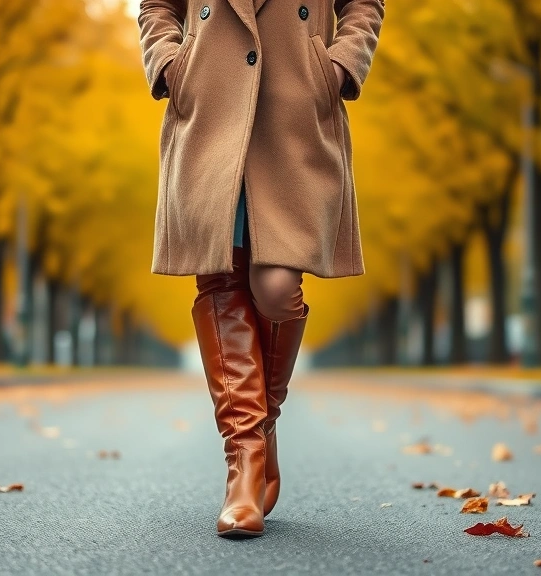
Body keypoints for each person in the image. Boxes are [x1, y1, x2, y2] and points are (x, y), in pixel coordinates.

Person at [137, 0, 384, 538]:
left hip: (293, 109)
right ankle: (244, 464)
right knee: (221, 277)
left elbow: (364, 5)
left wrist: (338, 66)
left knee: (275, 288)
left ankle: (261, 423)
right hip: (209, 108)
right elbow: (157, 5)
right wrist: (170, 64)